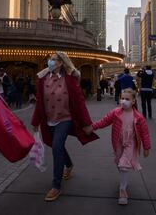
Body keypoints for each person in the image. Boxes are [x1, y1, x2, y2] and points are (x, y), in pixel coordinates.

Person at [31, 51, 99, 202]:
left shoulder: (69, 79)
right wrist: (35, 122)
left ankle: (56, 186)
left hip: (65, 119)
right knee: (57, 145)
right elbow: (39, 102)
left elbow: (80, 101)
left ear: (61, 63)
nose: (51, 61)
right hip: (49, 119)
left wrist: (87, 123)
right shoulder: (42, 78)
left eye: (54, 59)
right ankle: (68, 164)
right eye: (50, 59)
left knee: (56, 147)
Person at [83, 88, 151, 205]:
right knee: (120, 163)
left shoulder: (139, 118)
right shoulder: (115, 112)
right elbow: (104, 121)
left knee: (124, 165)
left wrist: (146, 147)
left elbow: (145, 133)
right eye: (122, 98)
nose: (124, 101)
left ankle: (123, 190)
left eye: (127, 99)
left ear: (133, 101)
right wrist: (92, 127)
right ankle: (123, 179)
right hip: (118, 142)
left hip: (131, 143)